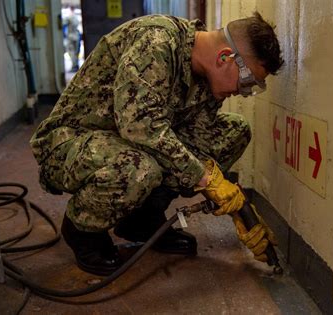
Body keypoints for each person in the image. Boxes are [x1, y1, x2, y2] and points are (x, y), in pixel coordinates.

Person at [30, 12, 284, 276]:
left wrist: (232, 200)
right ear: (224, 58)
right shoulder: (156, 42)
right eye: (247, 82)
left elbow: (193, 144)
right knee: (139, 168)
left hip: (128, 142)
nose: (242, 92)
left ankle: (141, 219)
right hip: (71, 140)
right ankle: (82, 229)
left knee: (234, 132)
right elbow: (140, 127)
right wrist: (205, 178)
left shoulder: (208, 80)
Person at [63, 6, 81, 72]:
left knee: (71, 52)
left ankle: (74, 66)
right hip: (76, 36)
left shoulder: (69, 17)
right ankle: (76, 66)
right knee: (76, 52)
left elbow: (62, 22)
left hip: (70, 37)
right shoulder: (76, 18)